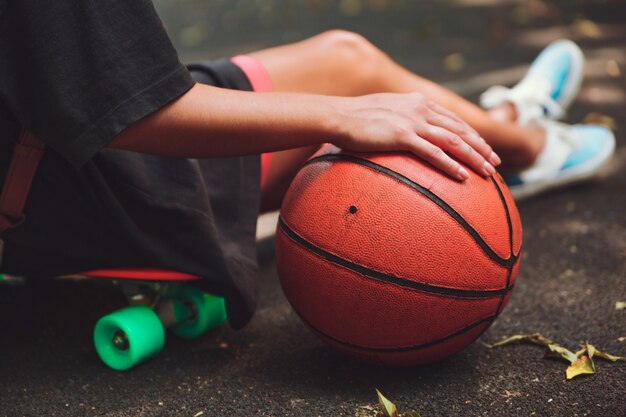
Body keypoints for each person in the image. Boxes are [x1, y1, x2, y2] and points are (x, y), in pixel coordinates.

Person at [0, 1, 614, 328]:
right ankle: (531, 147)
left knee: (349, 59)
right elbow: (135, 113)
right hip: (77, 177)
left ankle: (511, 127)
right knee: (358, 95)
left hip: (55, 135)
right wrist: (338, 118)